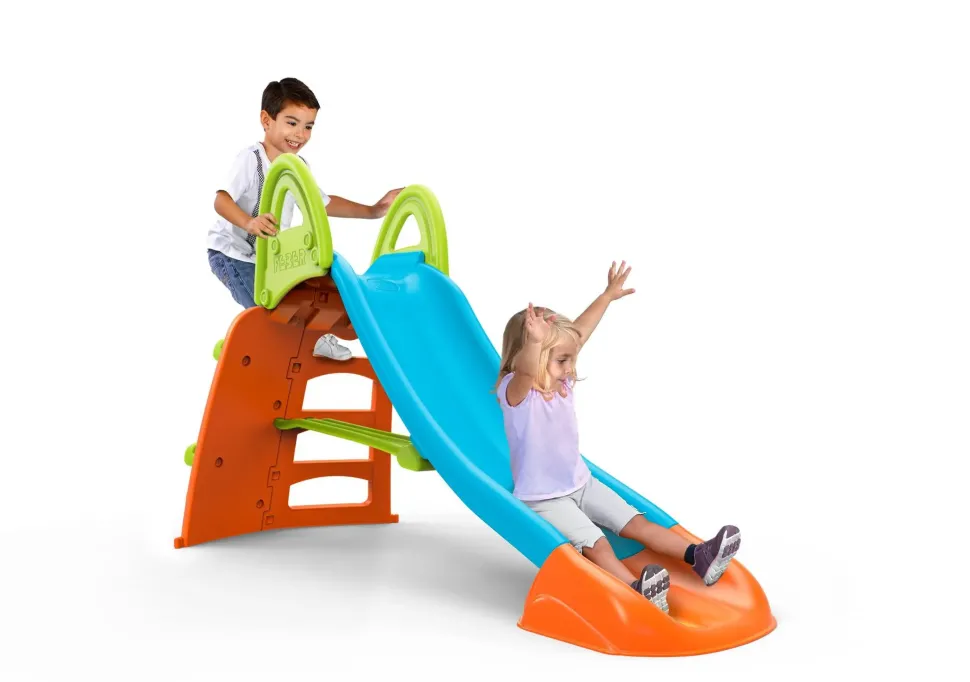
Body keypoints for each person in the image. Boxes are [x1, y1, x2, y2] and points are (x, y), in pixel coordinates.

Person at [495, 261, 741, 613]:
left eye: (570, 359)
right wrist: (534, 343)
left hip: (582, 483)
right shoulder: (516, 392)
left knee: (637, 524)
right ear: (532, 354)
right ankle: (634, 590)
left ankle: (699, 556)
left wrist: (606, 296)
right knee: (597, 544)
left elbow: (579, 333)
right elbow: (527, 369)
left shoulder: (562, 381)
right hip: (544, 499)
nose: (570, 368)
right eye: (561, 360)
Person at [207, 77, 402, 360]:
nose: (300, 134)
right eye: (292, 123)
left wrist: (374, 210)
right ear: (266, 120)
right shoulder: (251, 159)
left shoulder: (297, 167)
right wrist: (249, 222)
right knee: (267, 309)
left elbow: (322, 204)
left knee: (303, 297)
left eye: (308, 126)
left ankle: (312, 335)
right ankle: (239, 346)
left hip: (270, 258)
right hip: (233, 255)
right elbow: (221, 199)